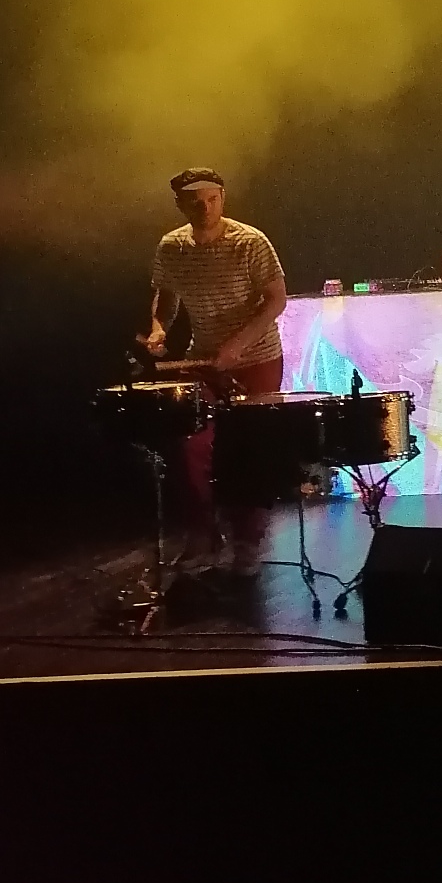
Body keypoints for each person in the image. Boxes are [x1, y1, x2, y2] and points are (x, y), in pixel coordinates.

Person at [144, 167, 288, 577]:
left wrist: (238, 345)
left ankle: (248, 542)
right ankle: (205, 534)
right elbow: (166, 296)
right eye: (196, 202)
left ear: (222, 198)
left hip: (257, 357)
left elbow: (276, 299)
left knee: (248, 448)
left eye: (212, 199)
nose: (205, 208)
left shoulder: (250, 241)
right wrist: (158, 327)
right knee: (188, 445)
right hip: (204, 359)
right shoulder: (172, 246)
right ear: (180, 205)